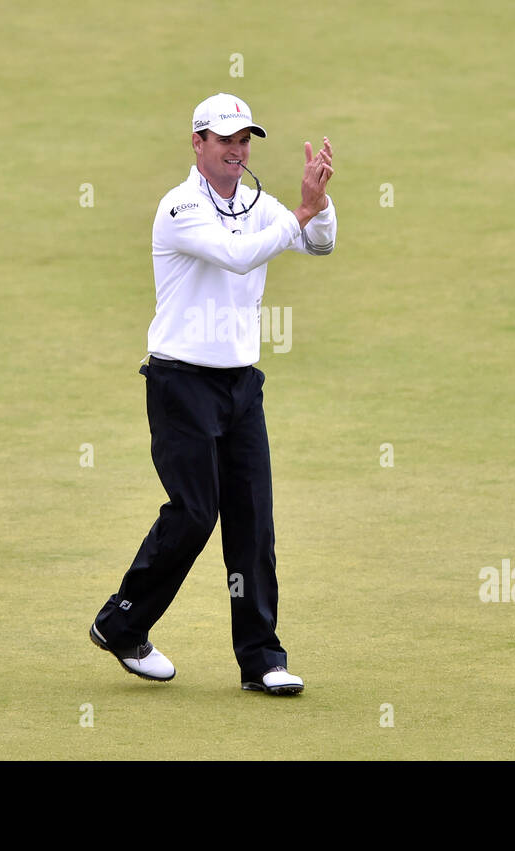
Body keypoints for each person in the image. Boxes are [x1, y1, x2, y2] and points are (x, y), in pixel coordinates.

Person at [90, 93, 337, 695]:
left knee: (253, 521)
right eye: (225, 139)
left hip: (241, 385)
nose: (237, 149)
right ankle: (122, 623)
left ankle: (262, 660)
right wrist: (298, 213)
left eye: (245, 139)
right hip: (181, 382)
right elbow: (235, 255)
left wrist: (318, 204)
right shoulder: (179, 208)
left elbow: (320, 243)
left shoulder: (257, 203)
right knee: (196, 511)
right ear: (197, 143)